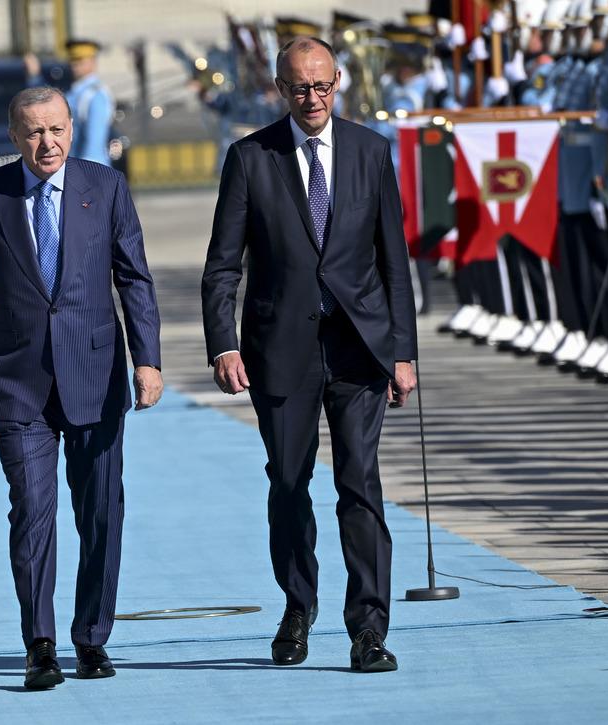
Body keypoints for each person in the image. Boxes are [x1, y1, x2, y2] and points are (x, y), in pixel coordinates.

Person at [201, 36, 417, 673]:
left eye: (323, 86)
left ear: (339, 82)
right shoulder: (249, 157)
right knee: (289, 483)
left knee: (360, 483)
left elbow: (393, 263)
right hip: (280, 350)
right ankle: (298, 607)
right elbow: (222, 266)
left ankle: (369, 628)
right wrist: (224, 343)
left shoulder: (371, 152)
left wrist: (401, 351)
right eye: (299, 88)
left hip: (359, 348)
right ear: (280, 88)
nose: (313, 98)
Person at [0, 86, 163, 690]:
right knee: (32, 511)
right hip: (18, 382)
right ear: (13, 138)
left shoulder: (105, 187)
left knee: (100, 513)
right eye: (34, 133)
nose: (49, 143)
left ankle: (91, 638)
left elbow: (134, 279)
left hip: (95, 374)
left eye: (57, 130)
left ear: (72, 128)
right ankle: (40, 645)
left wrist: (148, 361)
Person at [64, 39, 114, 165]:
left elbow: (94, 141)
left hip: (90, 171)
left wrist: (86, 176)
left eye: (80, 61)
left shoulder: (95, 95)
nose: (74, 65)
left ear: (93, 62)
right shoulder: (75, 92)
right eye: (73, 60)